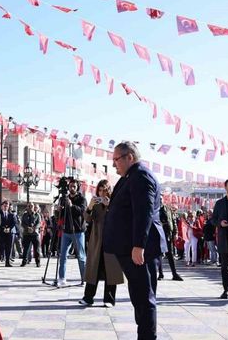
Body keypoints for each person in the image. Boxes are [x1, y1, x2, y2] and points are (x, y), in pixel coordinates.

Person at [103, 142, 166, 340]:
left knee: (144, 298)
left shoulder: (141, 176)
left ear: (129, 157)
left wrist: (139, 245)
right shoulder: (128, 177)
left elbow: (144, 212)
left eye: (116, 159)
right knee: (138, 297)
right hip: (128, 247)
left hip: (140, 249)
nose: (114, 165)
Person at [79, 179, 124, 307]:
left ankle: (109, 299)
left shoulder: (115, 203)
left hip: (112, 240)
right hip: (97, 240)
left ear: (109, 191)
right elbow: (87, 219)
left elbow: (121, 219)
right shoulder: (95, 203)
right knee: (93, 269)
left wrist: (110, 206)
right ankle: (88, 297)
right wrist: (90, 207)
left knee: (111, 270)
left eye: (105, 190)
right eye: (100, 190)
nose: (102, 193)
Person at [57, 178, 88, 286]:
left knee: (81, 256)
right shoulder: (64, 198)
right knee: (63, 255)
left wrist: (71, 206)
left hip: (78, 231)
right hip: (66, 230)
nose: (72, 188)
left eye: (74, 186)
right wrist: (59, 209)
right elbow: (59, 215)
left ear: (77, 187)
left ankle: (84, 279)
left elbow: (82, 211)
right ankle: (62, 277)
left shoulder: (82, 199)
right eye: (70, 186)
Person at [158, 199, 183, 280]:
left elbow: (173, 220)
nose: (160, 200)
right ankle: (160, 274)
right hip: (158, 234)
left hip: (168, 234)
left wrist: (175, 232)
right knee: (159, 254)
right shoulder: (154, 209)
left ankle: (174, 273)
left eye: (161, 199)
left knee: (170, 254)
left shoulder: (168, 209)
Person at [21, 202, 42, 267]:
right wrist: (27, 228)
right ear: (27, 207)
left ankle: (38, 262)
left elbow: (39, 223)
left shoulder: (37, 215)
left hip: (35, 234)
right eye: (29, 206)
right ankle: (24, 261)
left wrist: (34, 228)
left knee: (37, 249)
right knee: (26, 249)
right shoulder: (24, 215)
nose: (30, 207)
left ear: (33, 207)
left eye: (31, 206)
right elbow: (22, 223)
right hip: (27, 234)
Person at [0, 200, 18, 267]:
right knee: (1, 246)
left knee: (9, 247)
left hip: (9, 233)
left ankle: (7, 262)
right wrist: (3, 228)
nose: (6, 207)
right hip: (1, 232)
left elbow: (14, 222)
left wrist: (9, 228)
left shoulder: (11, 214)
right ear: (2, 206)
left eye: (7, 206)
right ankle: (0, 257)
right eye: (4, 206)